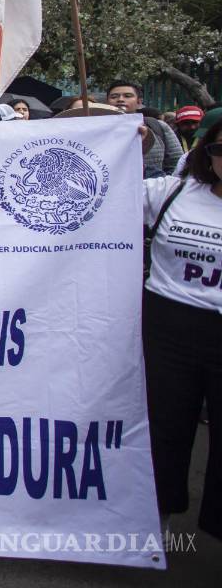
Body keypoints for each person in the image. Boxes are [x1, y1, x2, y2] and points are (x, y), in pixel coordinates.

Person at [142, 118, 222, 540]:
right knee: (165, 425)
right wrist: (122, 151)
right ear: (207, 153)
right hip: (169, 325)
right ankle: (158, 516)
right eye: (220, 149)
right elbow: (103, 192)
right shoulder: (172, 192)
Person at [106, 80, 182, 177]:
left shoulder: (158, 126)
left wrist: (165, 184)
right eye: (114, 97)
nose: (120, 99)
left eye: (127, 96)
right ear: (107, 102)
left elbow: (176, 163)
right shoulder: (98, 130)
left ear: (139, 102)